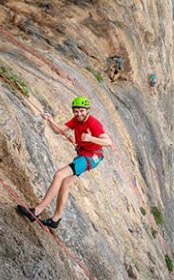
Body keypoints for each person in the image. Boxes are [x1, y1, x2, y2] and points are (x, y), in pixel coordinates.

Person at [17, 97, 112, 229]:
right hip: (84, 155)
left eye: (81, 111)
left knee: (59, 175)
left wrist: (91, 138)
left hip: (91, 157)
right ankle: (56, 219)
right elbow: (58, 130)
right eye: (76, 111)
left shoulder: (93, 123)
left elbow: (108, 142)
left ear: (88, 110)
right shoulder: (75, 120)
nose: (79, 114)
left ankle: (36, 211)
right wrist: (50, 120)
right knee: (65, 183)